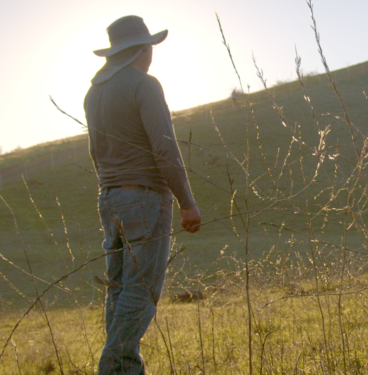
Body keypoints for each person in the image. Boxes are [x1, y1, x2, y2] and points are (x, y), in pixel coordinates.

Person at [84, 15, 201, 374]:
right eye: (150, 45)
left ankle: (123, 368)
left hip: (109, 195)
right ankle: (114, 365)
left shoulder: (94, 93)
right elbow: (165, 150)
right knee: (142, 290)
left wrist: (110, 190)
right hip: (146, 197)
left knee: (118, 290)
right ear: (142, 49)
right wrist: (186, 201)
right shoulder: (145, 85)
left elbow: (95, 152)